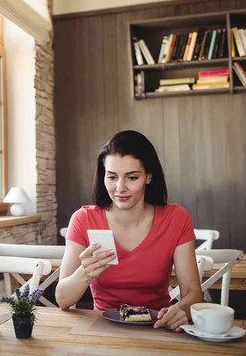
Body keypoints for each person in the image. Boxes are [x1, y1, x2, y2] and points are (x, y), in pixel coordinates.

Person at [55, 130, 203, 332]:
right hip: (102, 329)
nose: (120, 188)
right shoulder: (84, 219)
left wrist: (181, 310)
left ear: (148, 177)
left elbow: (193, 292)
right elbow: (62, 299)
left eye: (132, 177)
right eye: (112, 177)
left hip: (158, 327)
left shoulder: (177, 219)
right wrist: (84, 273)